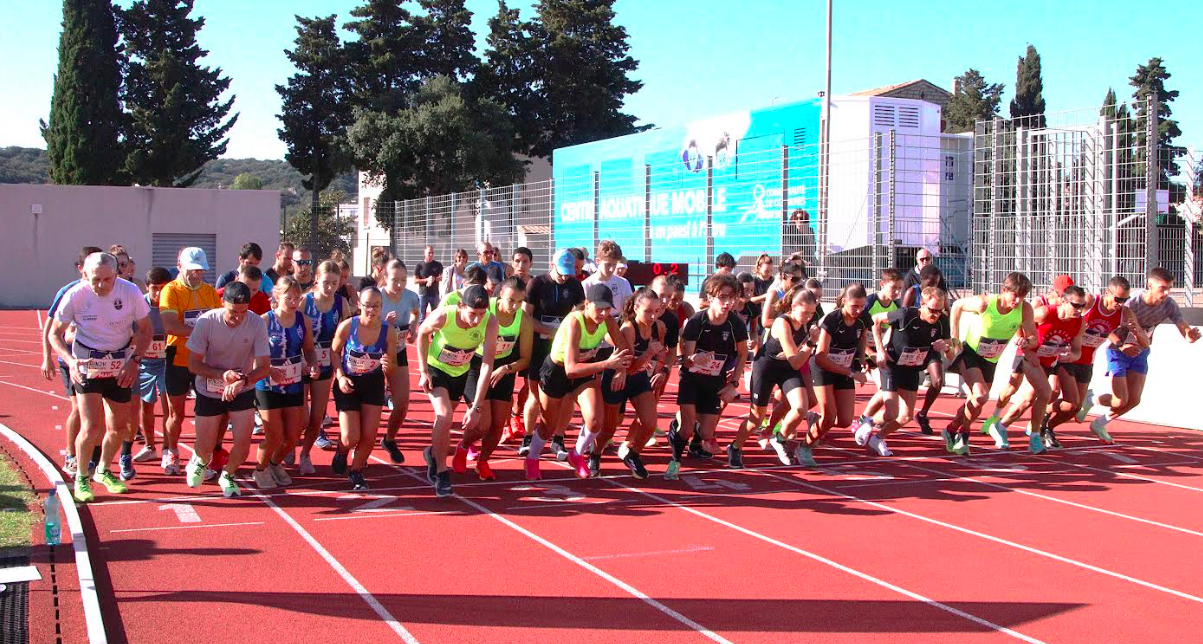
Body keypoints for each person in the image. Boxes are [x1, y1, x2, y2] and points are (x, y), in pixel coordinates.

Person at [49, 252, 152, 502]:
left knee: (120, 427)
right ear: (84, 273)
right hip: (87, 363)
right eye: (95, 279)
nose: (101, 285)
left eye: (107, 279)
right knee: (91, 426)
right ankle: (82, 476)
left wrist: (135, 360)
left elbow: (147, 329)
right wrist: (71, 361)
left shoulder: (130, 292)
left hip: (120, 363)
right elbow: (55, 334)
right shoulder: (75, 295)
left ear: (117, 274)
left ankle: (104, 470)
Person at [529, 284, 631, 480]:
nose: (603, 313)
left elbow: (624, 348)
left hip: (586, 370)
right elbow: (571, 369)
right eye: (599, 308)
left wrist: (621, 369)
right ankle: (532, 458)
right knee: (548, 425)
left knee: (595, 420)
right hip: (557, 371)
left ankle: (577, 454)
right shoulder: (574, 322)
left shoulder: (607, 320)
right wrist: (608, 364)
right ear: (586, 304)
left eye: (607, 308)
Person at [1090, 267, 1200, 441]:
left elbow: (1181, 323)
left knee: (1134, 400)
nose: (1166, 292)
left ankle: (1100, 423)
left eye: (1169, 288)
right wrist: (1121, 344)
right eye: (1162, 288)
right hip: (1119, 350)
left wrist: (1189, 335)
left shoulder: (1169, 304)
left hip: (1141, 351)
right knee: (1120, 401)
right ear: (1150, 285)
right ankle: (1091, 400)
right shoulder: (1132, 302)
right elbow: (1108, 325)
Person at [183, 283, 272, 497]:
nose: (238, 318)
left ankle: (228, 475)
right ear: (223, 304)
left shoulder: (256, 323)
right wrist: (222, 375)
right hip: (209, 389)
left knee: (243, 445)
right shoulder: (206, 322)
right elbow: (193, 365)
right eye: (233, 312)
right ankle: (200, 460)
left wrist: (243, 380)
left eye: (243, 312)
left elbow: (264, 366)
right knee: (205, 446)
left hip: (242, 389)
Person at [944, 272, 1039, 454]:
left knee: (977, 403)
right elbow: (956, 305)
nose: (1018, 301)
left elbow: (1033, 337)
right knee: (980, 396)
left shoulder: (1025, 309)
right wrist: (954, 337)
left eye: (1022, 296)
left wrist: (1026, 342)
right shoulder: (985, 303)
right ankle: (963, 436)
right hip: (970, 353)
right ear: (1004, 290)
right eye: (1015, 295)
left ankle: (950, 429)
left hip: (991, 359)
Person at [416, 285, 499, 495]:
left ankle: (433, 453)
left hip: (461, 372)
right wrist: (424, 371)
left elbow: (487, 365)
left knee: (472, 422)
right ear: (461, 306)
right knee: (444, 416)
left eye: (481, 314)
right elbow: (422, 333)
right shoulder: (445, 315)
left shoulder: (490, 321)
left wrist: (477, 407)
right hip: (437, 368)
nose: (476, 320)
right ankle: (442, 473)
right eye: (472, 314)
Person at [667, 273, 747, 479]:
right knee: (686, 429)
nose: (728, 302)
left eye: (732, 297)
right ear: (711, 297)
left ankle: (686, 423)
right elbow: (687, 359)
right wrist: (695, 359)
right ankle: (675, 460)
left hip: (715, 380)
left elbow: (742, 354)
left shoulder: (735, 324)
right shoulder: (697, 321)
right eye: (723, 297)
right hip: (692, 379)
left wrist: (734, 383)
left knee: (706, 434)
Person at [452, 277, 532, 480]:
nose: (514, 306)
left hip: (503, 370)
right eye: (511, 300)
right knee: (482, 423)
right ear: (500, 295)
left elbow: (525, 358)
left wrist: (506, 368)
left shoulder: (523, 320)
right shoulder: (485, 313)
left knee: (498, 424)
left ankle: (483, 461)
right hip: (477, 365)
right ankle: (463, 447)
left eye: (519, 301)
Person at [992, 285, 1088, 452]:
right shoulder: (1045, 313)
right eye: (1075, 305)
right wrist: (1025, 348)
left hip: (1055, 359)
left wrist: (1074, 356)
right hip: (1032, 357)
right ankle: (1034, 437)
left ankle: (1001, 426)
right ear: (1063, 302)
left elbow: (1077, 348)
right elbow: (1018, 323)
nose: (1079, 310)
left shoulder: (1079, 322)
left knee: (1070, 403)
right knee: (1040, 394)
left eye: (1082, 306)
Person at [731, 285, 817, 468]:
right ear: (793, 307)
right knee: (755, 419)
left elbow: (795, 361)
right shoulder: (782, 323)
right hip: (766, 367)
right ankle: (735, 447)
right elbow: (796, 360)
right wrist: (811, 343)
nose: (808, 317)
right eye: (805, 313)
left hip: (786, 368)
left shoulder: (807, 323)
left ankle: (779, 438)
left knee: (801, 407)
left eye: (812, 313)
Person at [860, 286, 953, 457]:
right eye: (932, 310)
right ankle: (865, 421)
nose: (936, 315)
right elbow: (875, 320)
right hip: (893, 364)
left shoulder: (942, 321)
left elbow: (951, 352)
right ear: (922, 305)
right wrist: (879, 350)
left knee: (905, 417)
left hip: (912, 367)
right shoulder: (905, 315)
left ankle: (877, 437)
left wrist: (946, 347)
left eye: (940, 311)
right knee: (891, 413)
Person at [979, 275, 1073, 434]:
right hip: (1027, 350)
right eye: (1061, 295)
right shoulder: (1037, 304)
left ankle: (1035, 424)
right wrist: (1023, 343)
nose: (1064, 299)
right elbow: (1016, 321)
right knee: (1012, 387)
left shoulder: (1066, 308)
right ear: (1053, 292)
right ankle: (994, 417)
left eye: (1066, 296)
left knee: (1052, 390)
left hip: (1048, 353)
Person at [159, 247, 221, 476]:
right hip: (179, 357)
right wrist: (201, 333)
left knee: (206, 412)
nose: (197, 275)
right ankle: (171, 451)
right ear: (180, 267)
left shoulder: (210, 291)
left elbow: (219, 322)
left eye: (201, 270)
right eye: (192, 270)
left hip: (205, 360)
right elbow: (170, 326)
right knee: (177, 413)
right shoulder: (170, 290)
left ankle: (201, 458)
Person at [519, 249, 586, 460]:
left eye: (568, 273)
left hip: (563, 348)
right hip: (539, 344)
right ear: (552, 265)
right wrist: (551, 331)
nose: (564, 277)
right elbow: (525, 317)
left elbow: (580, 314)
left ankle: (558, 438)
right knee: (535, 395)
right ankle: (528, 437)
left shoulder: (575, 286)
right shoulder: (537, 284)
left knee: (565, 396)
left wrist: (568, 334)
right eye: (561, 272)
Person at [42, 246, 103, 476]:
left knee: (100, 414)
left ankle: (94, 459)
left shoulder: (111, 291)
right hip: (72, 360)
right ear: (81, 269)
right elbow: (51, 328)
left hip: (101, 362)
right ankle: (71, 455)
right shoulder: (69, 291)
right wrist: (47, 357)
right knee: (79, 409)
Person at [1052, 277, 1141, 434]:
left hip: (1086, 360)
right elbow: (1065, 310)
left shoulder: (1124, 313)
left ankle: (1047, 426)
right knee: (1055, 392)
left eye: (1125, 300)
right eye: (1118, 299)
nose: (1120, 303)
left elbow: (1108, 332)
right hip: (1067, 355)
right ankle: (1039, 423)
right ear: (1107, 293)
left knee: (1075, 407)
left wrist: (1127, 342)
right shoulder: (1091, 301)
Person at [330, 286, 398, 490]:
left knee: (369, 436)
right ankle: (342, 450)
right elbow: (334, 352)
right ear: (359, 305)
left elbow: (392, 364)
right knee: (351, 437)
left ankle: (356, 471)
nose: (371, 310)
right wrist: (340, 376)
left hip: (373, 383)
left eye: (376, 306)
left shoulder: (388, 331)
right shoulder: (347, 326)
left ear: (381, 307)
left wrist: (389, 365)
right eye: (367, 305)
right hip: (348, 382)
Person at [253, 277, 319, 488]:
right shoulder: (264, 321)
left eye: (297, 298)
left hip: (293, 381)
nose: (293, 302)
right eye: (288, 297)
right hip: (267, 383)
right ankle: (260, 469)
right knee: (273, 435)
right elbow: (252, 355)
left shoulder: (303, 321)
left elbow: (308, 350)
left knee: (292, 436)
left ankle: (274, 463)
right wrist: (268, 369)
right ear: (277, 297)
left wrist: (312, 365)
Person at [597, 288, 667, 478]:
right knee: (609, 428)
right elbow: (628, 366)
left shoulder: (658, 326)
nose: (653, 316)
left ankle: (633, 454)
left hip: (638, 377)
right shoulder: (628, 328)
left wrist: (660, 365)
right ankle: (595, 455)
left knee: (650, 422)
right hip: (618, 378)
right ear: (636, 308)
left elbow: (660, 352)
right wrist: (648, 354)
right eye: (648, 311)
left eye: (656, 311)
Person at [299, 261, 350, 467]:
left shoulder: (341, 304)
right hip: (301, 363)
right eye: (326, 282)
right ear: (317, 279)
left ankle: (305, 453)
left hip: (326, 364)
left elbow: (347, 333)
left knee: (317, 416)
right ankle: (286, 447)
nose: (330, 288)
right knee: (300, 417)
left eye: (334, 283)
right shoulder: (305, 302)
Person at [814, 284, 870, 459]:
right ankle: (805, 446)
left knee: (845, 421)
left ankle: (815, 420)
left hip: (845, 368)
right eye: (854, 306)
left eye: (862, 306)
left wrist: (862, 358)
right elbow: (820, 356)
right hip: (823, 368)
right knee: (829, 418)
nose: (858, 310)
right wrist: (851, 373)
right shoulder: (832, 320)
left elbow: (861, 338)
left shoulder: (863, 318)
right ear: (844, 301)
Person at [379, 260, 420, 463]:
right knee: (370, 406)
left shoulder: (411, 297)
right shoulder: (377, 298)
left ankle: (389, 439)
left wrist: (413, 328)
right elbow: (362, 326)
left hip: (399, 351)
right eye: (395, 280)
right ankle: (359, 446)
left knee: (402, 404)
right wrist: (385, 325)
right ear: (385, 277)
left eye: (403, 280)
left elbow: (415, 313)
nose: (399, 285)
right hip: (375, 353)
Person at [131, 267, 173, 466]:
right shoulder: (139, 306)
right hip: (145, 362)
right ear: (147, 288)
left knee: (168, 406)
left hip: (166, 362)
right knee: (146, 405)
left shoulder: (171, 304)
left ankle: (167, 447)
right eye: (154, 288)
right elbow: (130, 333)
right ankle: (150, 446)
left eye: (162, 288)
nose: (158, 293)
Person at [900, 264, 949, 434]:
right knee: (898, 385)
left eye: (936, 283)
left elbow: (946, 317)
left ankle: (923, 414)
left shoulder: (940, 296)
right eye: (930, 283)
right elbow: (902, 317)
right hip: (912, 344)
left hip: (931, 344)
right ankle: (878, 414)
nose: (933, 286)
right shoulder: (913, 292)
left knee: (937, 381)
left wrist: (948, 342)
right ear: (922, 280)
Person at [414, 245, 444, 324]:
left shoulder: (438, 265)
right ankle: (421, 334)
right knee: (421, 317)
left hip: (435, 294)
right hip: (423, 294)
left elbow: (441, 278)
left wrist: (433, 278)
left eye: (432, 253)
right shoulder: (419, 266)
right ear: (424, 253)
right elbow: (415, 280)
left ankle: (434, 334)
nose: (431, 255)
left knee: (436, 316)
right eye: (429, 253)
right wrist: (426, 280)